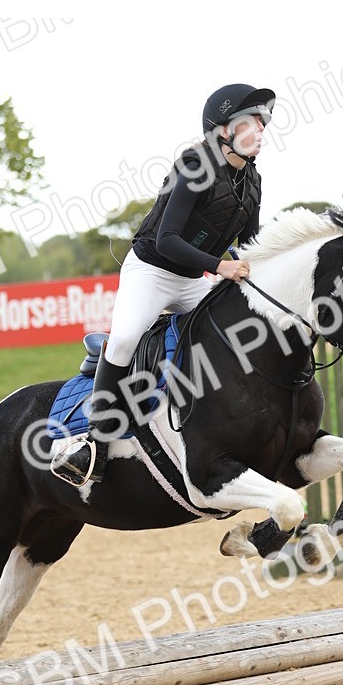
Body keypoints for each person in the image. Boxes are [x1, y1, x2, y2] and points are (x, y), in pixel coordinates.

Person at [50, 82, 276, 486]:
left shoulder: (252, 181)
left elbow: (250, 245)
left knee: (236, 334)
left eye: (264, 121)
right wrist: (220, 267)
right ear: (224, 129)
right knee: (124, 339)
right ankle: (94, 443)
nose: (262, 128)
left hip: (192, 280)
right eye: (252, 121)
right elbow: (167, 240)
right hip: (152, 271)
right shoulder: (194, 167)